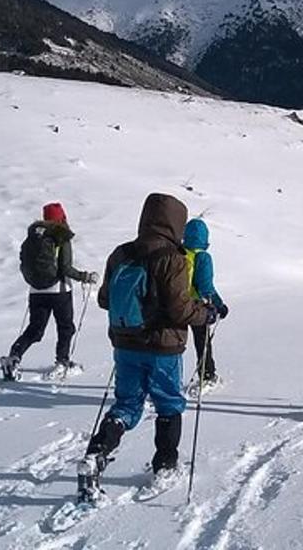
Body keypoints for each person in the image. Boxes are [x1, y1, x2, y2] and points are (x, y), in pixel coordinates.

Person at [84, 193, 216, 492]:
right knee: (169, 404)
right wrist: (205, 314)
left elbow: (105, 299)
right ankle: (165, 466)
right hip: (163, 347)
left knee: (127, 404)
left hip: (125, 343)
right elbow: (180, 309)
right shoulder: (173, 257)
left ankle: (96, 453)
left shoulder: (121, 253)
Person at [0, 202, 97, 381]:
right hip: (59, 290)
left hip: (36, 290)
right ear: (62, 218)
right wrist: (85, 276)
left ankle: (14, 356)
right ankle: (62, 361)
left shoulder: (33, 237)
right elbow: (65, 268)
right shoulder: (61, 237)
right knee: (65, 327)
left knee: (35, 328)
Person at [184, 217, 229, 390]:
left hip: (175, 303)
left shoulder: (179, 253)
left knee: (175, 343)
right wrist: (219, 305)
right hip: (196, 306)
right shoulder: (202, 257)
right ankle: (207, 374)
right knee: (202, 340)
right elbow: (206, 286)